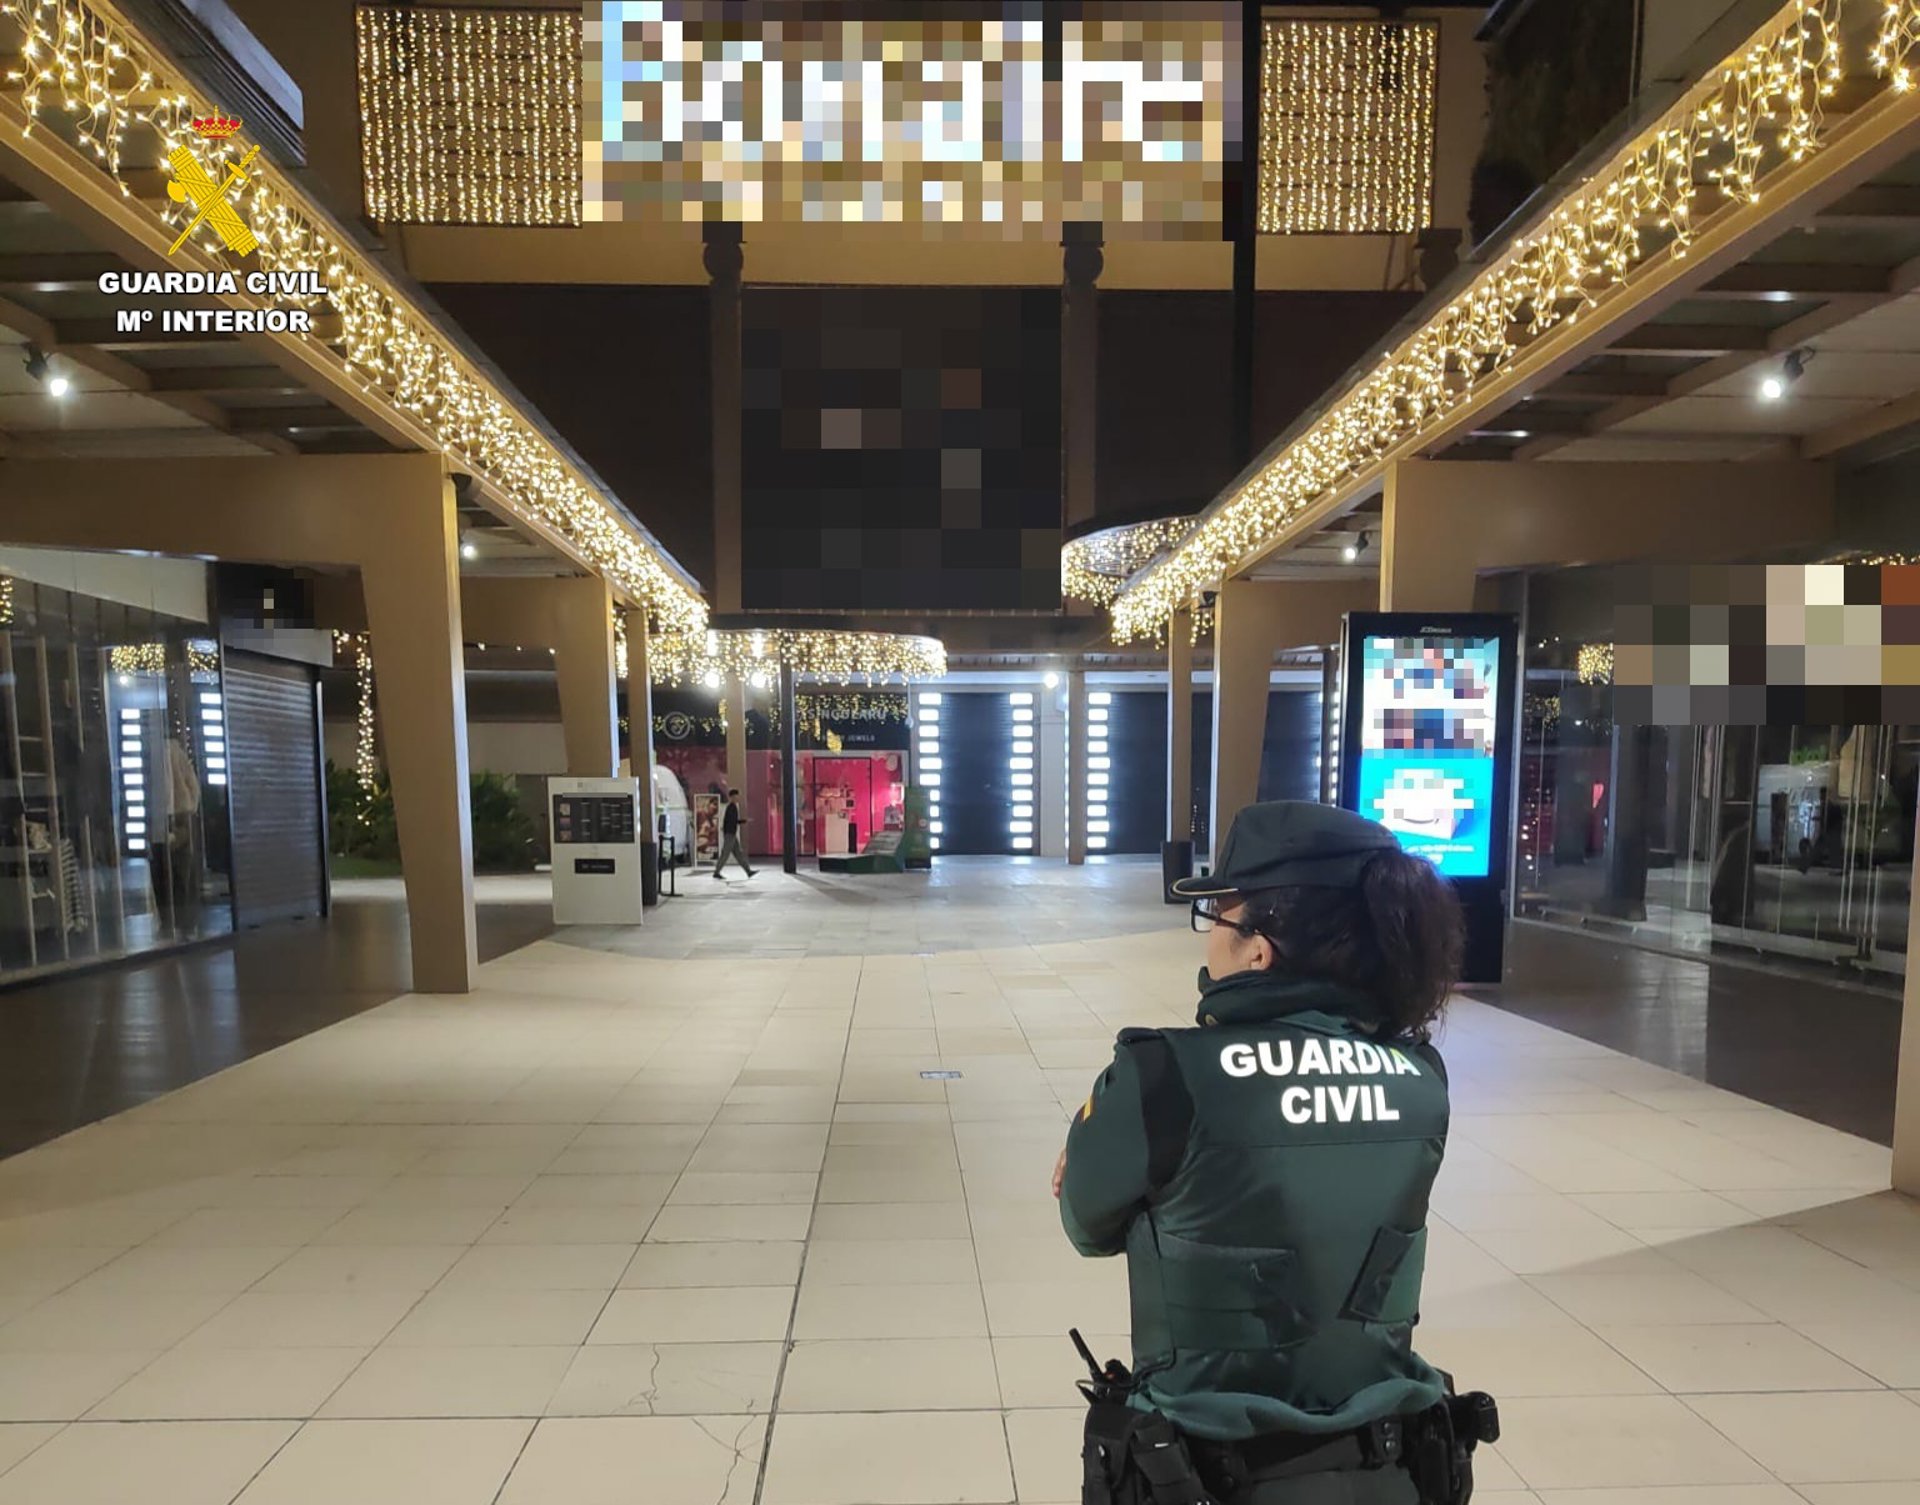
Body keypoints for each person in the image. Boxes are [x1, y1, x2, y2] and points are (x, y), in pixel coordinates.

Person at [1055, 801, 1480, 1505]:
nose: (1207, 940)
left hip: (1202, 1474)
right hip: (1386, 1467)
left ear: (1260, 948)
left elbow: (1085, 1221)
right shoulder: (1421, 1078)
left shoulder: (1161, 1073)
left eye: (1217, 914)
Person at [713, 787, 754, 879]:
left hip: (731, 834)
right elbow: (730, 821)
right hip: (730, 834)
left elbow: (733, 821)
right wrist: (741, 822)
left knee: (739, 854)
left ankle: (748, 871)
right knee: (725, 854)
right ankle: (716, 872)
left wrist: (743, 821)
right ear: (732, 797)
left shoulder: (733, 807)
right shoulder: (731, 807)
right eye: (735, 796)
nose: (737, 798)